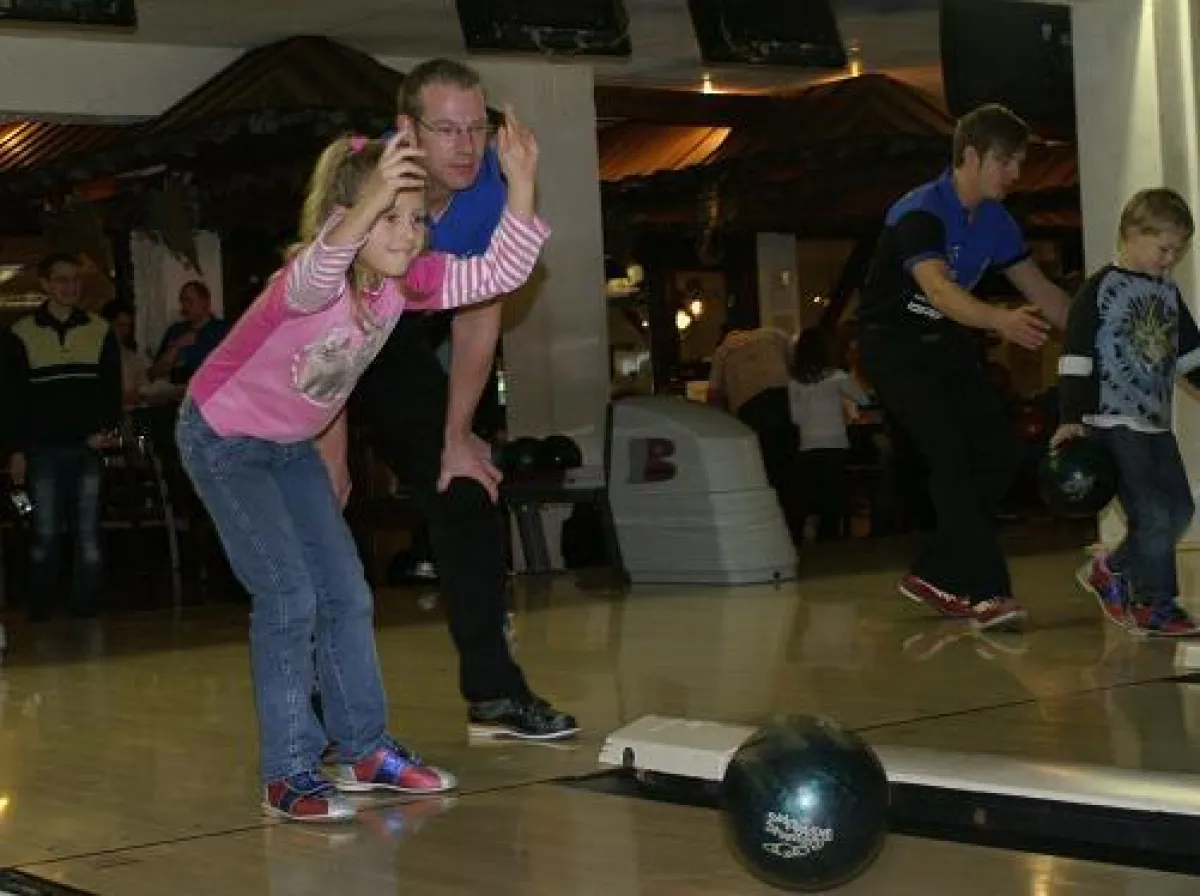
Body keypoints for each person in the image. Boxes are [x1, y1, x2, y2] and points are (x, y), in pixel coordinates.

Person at [176, 114, 551, 822]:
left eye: (415, 219)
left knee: (347, 594)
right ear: (350, 218)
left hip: (287, 448)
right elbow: (324, 265)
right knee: (289, 598)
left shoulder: (403, 284)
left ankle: (365, 749)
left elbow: (500, 271)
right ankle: (288, 771)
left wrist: (522, 183)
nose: (408, 235)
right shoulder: (304, 282)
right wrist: (371, 198)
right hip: (221, 440)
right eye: (390, 218)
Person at [331, 58, 578, 741]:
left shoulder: (489, 188)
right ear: (407, 130)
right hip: (331, 331)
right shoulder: (363, 186)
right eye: (446, 130)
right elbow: (324, 333)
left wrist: (457, 436)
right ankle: (326, 714)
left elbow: (481, 310)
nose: (466, 147)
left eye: (476, 128)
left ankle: (496, 696)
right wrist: (334, 447)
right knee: (327, 507)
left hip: (415, 324)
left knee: (466, 489)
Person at [857, 103, 1071, 630]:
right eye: (1006, 161)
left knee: (998, 452)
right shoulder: (920, 211)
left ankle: (935, 572)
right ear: (970, 157)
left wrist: (1098, 338)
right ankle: (989, 593)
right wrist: (998, 322)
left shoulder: (996, 221)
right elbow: (938, 289)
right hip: (892, 347)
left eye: (1020, 162)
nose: (1016, 175)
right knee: (951, 456)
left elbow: (1042, 292)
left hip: (944, 342)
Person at [1054, 187, 1200, 637]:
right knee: (1151, 513)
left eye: (1178, 250)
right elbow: (1076, 358)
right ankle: (1153, 604)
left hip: (1155, 422)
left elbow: (1190, 357)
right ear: (1132, 234)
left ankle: (1111, 569)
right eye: (1164, 248)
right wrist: (1070, 418)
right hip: (1110, 421)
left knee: (1178, 509)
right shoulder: (1098, 291)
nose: (1170, 258)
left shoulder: (1168, 294)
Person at [8, 253, 123, 621]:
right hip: (41, 448)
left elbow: (110, 390)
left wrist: (107, 432)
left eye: (75, 280)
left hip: (88, 447)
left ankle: (85, 614)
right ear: (45, 284)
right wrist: (15, 450)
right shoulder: (21, 333)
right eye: (61, 280)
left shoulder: (99, 329)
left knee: (88, 535)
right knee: (44, 535)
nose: (70, 287)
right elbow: (12, 398)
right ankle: (41, 613)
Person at [707, 317, 805, 545]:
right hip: (784, 404)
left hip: (752, 411)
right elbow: (797, 368)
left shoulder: (723, 351)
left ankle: (771, 529)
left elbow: (713, 396)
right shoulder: (774, 334)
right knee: (789, 471)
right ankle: (795, 528)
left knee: (765, 473)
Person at [787, 329, 871, 541]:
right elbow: (864, 400)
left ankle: (808, 537)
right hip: (835, 444)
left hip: (807, 446)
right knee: (833, 501)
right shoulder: (838, 377)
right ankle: (831, 544)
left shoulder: (794, 382)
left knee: (810, 499)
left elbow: (796, 418)